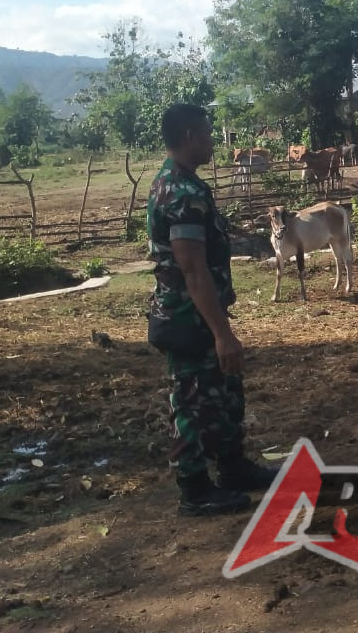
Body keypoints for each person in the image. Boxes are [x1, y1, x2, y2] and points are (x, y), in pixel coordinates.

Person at [147, 103, 276, 516]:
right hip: (188, 317)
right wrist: (222, 333)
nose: (212, 142)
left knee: (223, 391)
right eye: (206, 134)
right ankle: (196, 490)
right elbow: (193, 271)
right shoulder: (180, 194)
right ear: (188, 137)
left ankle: (234, 468)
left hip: (202, 314)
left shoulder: (185, 184)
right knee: (192, 401)